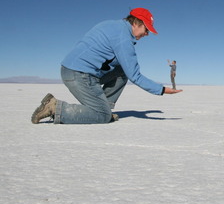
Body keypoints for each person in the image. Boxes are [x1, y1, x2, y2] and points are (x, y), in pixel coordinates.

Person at [31, 7, 182, 124]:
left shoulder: (111, 25)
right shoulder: (124, 39)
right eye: (146, 29)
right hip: (79, 74)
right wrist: (162, 90)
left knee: (122, 71)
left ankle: (104, 107)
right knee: (102, 116)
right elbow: (135, 75)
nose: (147, 34)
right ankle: (56, 108)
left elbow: (106, 59)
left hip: (72, 70)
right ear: (136, 23)